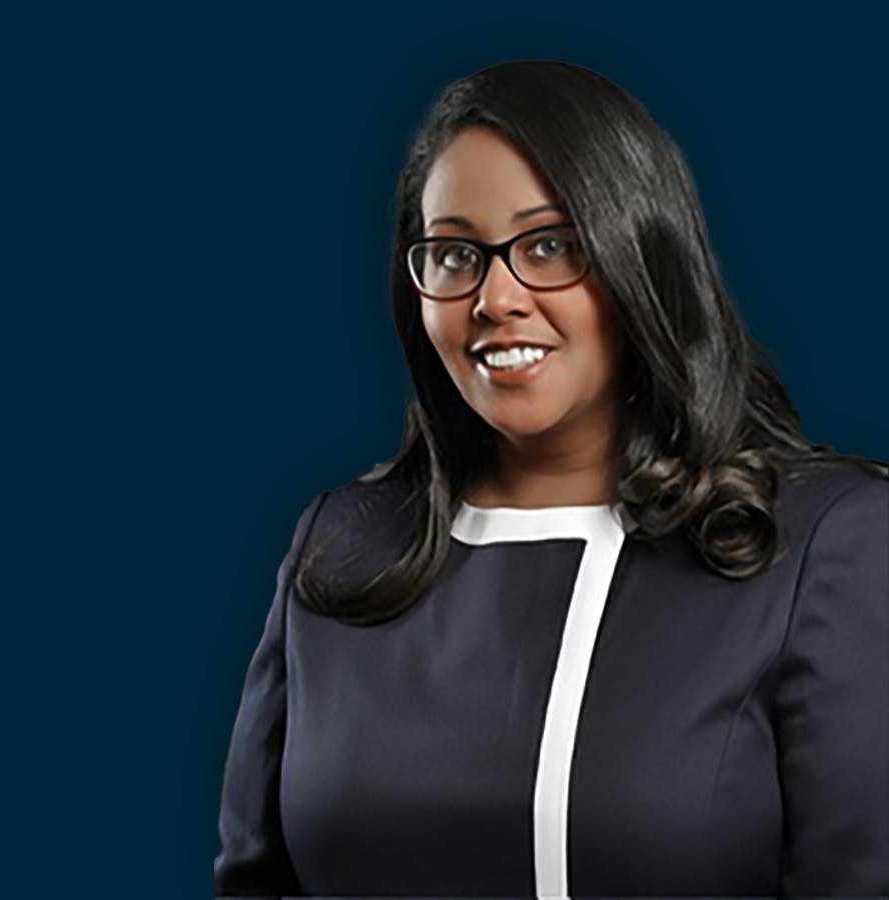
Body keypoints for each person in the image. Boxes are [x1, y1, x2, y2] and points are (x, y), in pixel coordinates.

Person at [214, 60, 889, 898]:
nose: (495, 297)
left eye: (549, 246)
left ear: (643, 255)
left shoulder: (824, 544)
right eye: (455, 254)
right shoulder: (343, 545)